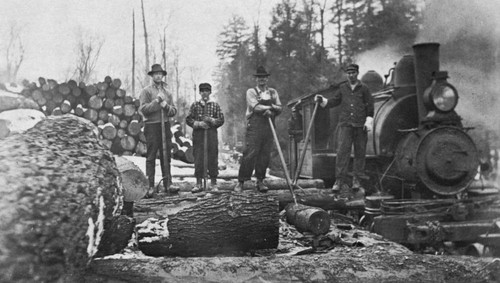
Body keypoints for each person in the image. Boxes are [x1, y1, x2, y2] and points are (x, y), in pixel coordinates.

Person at [315, 63, 374, 199]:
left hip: (360, 126)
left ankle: (357, 180)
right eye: (348, 73)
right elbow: (333, 102)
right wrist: (322, 100)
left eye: (353, 72)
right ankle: (339, 180)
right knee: (342, 152)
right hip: (345, 125)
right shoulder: (342, 88)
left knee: (360, 152)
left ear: (357, 73)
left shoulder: (364, 89)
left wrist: (368, 120)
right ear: (346, 75)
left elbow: (370, 105)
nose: (350, 75)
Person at [234, 66, 282, 192]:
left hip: (269, 125)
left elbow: (280, 108)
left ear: (267, 79)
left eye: (264, 77)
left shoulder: (273, 92)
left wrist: (270, 109)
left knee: (265, 154)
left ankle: (260, 181)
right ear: (256, 79)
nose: (262, 80)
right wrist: (269, 109)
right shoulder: (251, 92)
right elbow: (255, 107)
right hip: (255, 126)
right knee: (250, 153)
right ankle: (241, 181)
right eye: (259, 78)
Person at [139, 64, 178, 197]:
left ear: (162, 75)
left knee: (166, 155)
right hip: (152, 126)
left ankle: (168, 184)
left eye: (160, 74)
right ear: (152, 76)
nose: (158, 76)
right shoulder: (146, 91)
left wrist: (165, 105)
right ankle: (150, 186)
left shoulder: (167, 92)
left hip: (165, 125)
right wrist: (157, 102)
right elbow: (144, 109)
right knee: (151, 156)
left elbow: (173, 111)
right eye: (155, 74)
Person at [186, 83, 225, 193]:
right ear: (199, 92)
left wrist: (211, 120)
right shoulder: (195, 105)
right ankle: (198, 183)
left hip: (211, 134)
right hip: (199, 135)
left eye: (207, 91)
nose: (204, 93)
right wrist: (199, 124)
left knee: (212, 157)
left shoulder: (215, 105)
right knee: (198, 157)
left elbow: (221, 120)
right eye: (202, 91)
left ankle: (213, 183)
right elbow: (188, 119)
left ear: (210, 92)